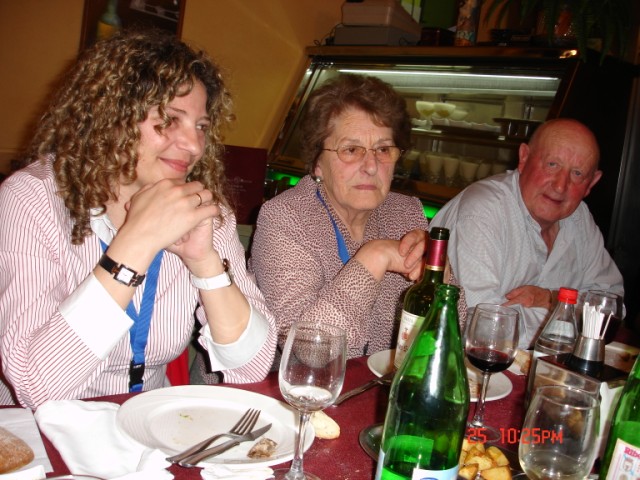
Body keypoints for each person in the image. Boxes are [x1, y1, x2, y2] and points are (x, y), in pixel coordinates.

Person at [0, 29, 276, 409]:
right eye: (170, 119)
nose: (194, 145)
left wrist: (205, 263)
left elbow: (253, 366)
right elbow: (37, 387)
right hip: (38, 431)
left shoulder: (201, 209)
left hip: (148, 425)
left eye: (201, 126)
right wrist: (137, 244)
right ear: (111, 115)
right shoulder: (32, 199)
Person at [249, 74, 465, 359]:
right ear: (317, 163)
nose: (371, 166)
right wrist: (375, 256)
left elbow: (454, 335)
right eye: (351, 150)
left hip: (381, 381)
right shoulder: (286, 217)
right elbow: (307, 352)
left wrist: (441, 280)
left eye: (383, 149)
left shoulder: (406, 213)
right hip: (287, 385)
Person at [430, 118, 624, 348]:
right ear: (524, 158)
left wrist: (551, 299)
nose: (560, 186)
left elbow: (611, 308)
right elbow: (482, 328)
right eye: (552, 164)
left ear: (592, 182)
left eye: (577, 174)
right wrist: (567, 312)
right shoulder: (482, 210)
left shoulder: (579, 218)